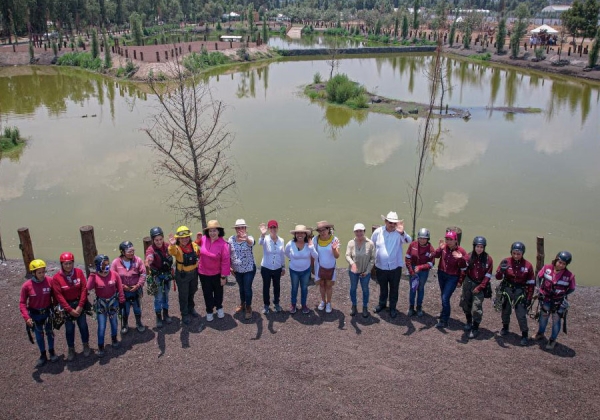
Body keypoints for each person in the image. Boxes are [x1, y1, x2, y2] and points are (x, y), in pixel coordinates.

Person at [371, 211, 412, 319]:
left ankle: (392, 308)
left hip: (395, 267)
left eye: (394, 223)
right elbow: (372, 244)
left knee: (394, 289)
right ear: (385, 222)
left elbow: (409, 241)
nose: (392, 225)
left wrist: (403, 232)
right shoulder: (378, 232)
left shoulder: (400, 233)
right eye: (390, 222)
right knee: (383, 287)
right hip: (381, 266)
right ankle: (382, 304)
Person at [532, 251, 576, 350]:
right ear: (556, 260)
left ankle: (552, 340)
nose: (561, 265)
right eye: (559, 262)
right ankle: (540, 333)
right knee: (543, 317)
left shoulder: (569, 276)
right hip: (545, 299)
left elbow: (572, 288)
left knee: (556, 321)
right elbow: (539, 277)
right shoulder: (547, 268)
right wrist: (539, 289)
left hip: (558, 302)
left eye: (564, 264)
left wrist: (563, 294)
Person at [19, 259, 59, 368]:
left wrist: (56, 309)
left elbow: (55, 296)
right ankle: (43, 355)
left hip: (47, 313)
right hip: (35, 315)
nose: (42, 275)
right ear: (33, 273)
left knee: (50, 333)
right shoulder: (27, 286)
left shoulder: (50, 281)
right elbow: (22, 303)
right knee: (39, 335)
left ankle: (51, 351)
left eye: (43, 272)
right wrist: (27, 318)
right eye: (39, 272)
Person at [52, 252, 90, 361]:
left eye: (70, 263)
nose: (68, 266)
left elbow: (84, 289)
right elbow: (58, 296)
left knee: (83, 326)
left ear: (73, 263)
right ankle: (71, 348)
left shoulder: (78, 273)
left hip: (79, 304)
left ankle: (86, 345)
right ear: (61, 264)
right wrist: (69, 309)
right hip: (67, 306)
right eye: (65, 264)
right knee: (69, 329)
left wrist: (80, 306)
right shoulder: (57, 278)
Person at [495, 242, 535, 346]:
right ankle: (505, 327)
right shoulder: (505, 262)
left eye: (519, 254)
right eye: (514, 253)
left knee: (521, 314)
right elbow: (498, 277)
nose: (516, 255)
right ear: (511, 252)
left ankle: (525, 334)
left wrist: (529, 298)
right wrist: (501, 271)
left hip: (520, 291)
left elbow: (531, 284)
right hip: (507, 289)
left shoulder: (528, 266)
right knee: (505, 310)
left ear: (523, 253)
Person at [87, 255, 125, 358]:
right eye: (104, 264)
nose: (106, 266)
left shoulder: (114, 274)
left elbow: (120, 287)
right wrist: (92, 274)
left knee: (114, 322)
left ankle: (114, 339)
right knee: (102, 326)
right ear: (98, 265)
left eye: (107, 263)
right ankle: (100, 346)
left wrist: (121, 299)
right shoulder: (95, 276)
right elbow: (88, 287)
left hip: (113, 302)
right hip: (101, 304)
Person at [196, 220, 231, 322]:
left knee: (218, 292)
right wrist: (197, 240)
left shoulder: (223, 244)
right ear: (207, 232)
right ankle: (209, 311)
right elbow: (195, 245)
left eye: (214, 230)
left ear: (219, 231)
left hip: (217, 274)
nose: (212, 233)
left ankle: (219, 307)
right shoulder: (203, 239)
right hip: (203, 273)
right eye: (210, 231)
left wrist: (223, 277)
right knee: (207, 293)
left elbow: (225, 261)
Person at [459, 236, 493, 339]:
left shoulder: (488, 259)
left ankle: (475, 327)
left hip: (480, 285)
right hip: (468, 283)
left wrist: (480, 287)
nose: (479, 249)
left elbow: (488, 276)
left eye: (481, 247)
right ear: (474, 246)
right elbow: (463, 269)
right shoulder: (468, 257)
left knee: (476, 307)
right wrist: (460, 281)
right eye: (477, 246)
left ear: (484, 248)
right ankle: (469, 322)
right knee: (466, 304)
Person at [434, 230, 468, 328]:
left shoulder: (461, 251)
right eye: (447, 239)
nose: (448, 241)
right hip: (441, 274)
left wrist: (460, 281)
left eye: (450, 240)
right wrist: (439, 248)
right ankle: (443, 312)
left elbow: (464, 268)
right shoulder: (444, 247)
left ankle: (444, 320)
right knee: (443, 295)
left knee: (445, 298)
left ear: (455, 240)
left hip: (452, 277)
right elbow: (435, 256)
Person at [111, 241, 147, 334]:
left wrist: (138, 285)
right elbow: (112, 277)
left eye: (132, 251)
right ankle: (124, 324)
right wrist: (122, 286)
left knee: (137, 308)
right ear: (122, 252)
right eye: (129, 251)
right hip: (123, 291)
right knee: (124, 309)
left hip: (136, 289)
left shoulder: (138, 260)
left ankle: (139, 323)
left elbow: (143, 273)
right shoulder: (115, 263)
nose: (131, 253)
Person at [168, 225, 201, 325]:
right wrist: (172, 245)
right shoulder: (177, 248)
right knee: (183, 295)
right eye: (182, 238)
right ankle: (184, 314)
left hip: (194, 274)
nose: (185, 239)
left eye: (186, 237)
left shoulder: (194, 246)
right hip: (182, 275)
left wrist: (200, 241)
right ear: (178, 239)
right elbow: (172, 252)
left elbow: (199, 254)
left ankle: (191, 308)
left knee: (192, 291)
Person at [145, 227, 174, 328]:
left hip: (166, 275)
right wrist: (148, 260)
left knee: (166, 294)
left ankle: (166, 314)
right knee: (158, 297)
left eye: (160, 239)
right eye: (156, 240)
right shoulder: (151, 249)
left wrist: (173, 245)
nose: (159, 242)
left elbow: (173, 252)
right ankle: (158, 316)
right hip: (157, 276)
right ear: (153, 240)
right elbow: (150, 256)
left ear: (163, 238)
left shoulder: (167, 246)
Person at [285, 225, 318, 314]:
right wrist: (293, 259)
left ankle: (304, 305)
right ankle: (293, 305)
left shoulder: (309, 244)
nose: (300, 235)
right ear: (295, 234)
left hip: (306, 271)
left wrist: (311, 247)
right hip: (294, 270)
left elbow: (315, 256)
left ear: (305, 234)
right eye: (298, 233)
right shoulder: (290, 243)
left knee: (304, 288)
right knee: (294, 288)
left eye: (302, 233)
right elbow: (286, 253)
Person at [229, 219, 256, 320]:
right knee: (241, 288)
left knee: (247, 288)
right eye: (238, 227)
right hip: (237, 270)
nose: (240, 229)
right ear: (235, 229)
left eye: (242, 227)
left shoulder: (250, 238)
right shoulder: (231, 239)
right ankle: (242, 304)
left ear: (245, 228)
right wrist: (229, 266)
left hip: (249, 269)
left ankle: (248, 307)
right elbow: (229, 254)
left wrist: (246, 238)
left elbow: (251, 243)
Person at [345, 223, 375, 318]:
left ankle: (365, 307)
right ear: (354, 232)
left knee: (365, 289)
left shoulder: (370, 244)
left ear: (364, 231)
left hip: (365, 272)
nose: (359, 233)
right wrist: (352, 263)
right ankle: (354, 305)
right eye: (357, 231)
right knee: (353, 288)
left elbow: (373, 259)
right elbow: (347, 255)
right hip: (353, 272)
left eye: (361, 231)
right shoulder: (351, 243)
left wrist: (367, 271)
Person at [405, 228, 435, 317]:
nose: (422, 240)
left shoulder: (430, 249)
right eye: (420, 238)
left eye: (424, 238)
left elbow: (431, 263)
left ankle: (419, 307)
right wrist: (411, 270)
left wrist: (421, 267)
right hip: (413, 270)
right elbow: (407, 257)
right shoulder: (412, 245)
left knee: (420, 289)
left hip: (423, 272)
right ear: (418, 238)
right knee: (413, 289)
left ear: (428, 239)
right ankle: (411, 307)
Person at [258, 219, 285, 315]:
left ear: (277, 228)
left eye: (274, 227)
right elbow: (259, 243)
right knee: (266, 286)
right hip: (266, 267)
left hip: (277, 267)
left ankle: (276, 303)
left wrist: (283, 267)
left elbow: (282, 254)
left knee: (277, 286)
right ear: (269, 229)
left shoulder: (281, 240)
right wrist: (262, 234)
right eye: (271, 227)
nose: (273, 229)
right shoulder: (265, 239)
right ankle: (266, 305)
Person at [313, 221, 340, 313]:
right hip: (319, 267)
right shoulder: (315, 240)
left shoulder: (334, 239)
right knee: (321, 285)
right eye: (319, 230)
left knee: (328, 286)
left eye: (324, 230)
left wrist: (333, 249)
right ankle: (323, 301)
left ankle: (328, 302)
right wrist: (311, 267)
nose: (322, 232)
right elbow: (312, 253)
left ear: (329, 229)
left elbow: (337, 256)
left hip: (330, 267)